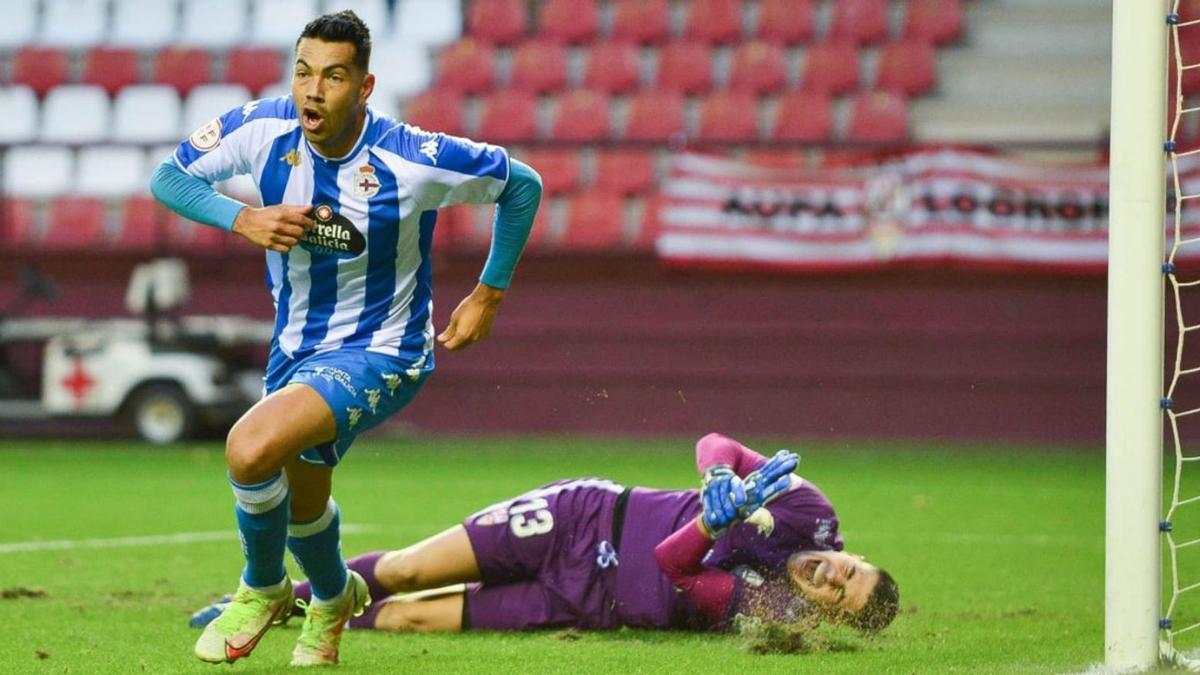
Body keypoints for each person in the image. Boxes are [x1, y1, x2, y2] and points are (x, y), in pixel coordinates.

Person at [149, 10, 543, 667]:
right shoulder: (262, 129)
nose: (312, 90)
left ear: (364, 88)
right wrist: (242, 217)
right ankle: (332, 598)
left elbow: (521, 185)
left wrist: (488, 292)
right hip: (298, 346)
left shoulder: (411, 158)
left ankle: (262, 586)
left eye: (333, 77)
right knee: (304, 499)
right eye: (304, 72)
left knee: (249, 449)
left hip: (385, 350)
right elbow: (170, 178)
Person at [191, 433, 900, 636]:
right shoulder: (810, 509)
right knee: (407, 568)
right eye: (850, 568)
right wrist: (720, 474)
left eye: (840, 594)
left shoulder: (772, 611)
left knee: (405, 616)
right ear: (851, 550)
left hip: (587, 601)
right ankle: (270, 600)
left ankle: (307, 614)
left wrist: (711, 521)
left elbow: (673, 565)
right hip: (582, 517)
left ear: (824, 611)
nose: (833, 575)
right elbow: (717, 440)